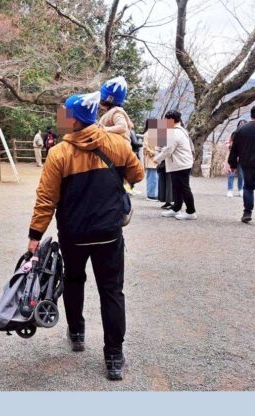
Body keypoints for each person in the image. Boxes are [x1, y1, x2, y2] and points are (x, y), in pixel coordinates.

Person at [26, 91, 144, 381]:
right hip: (108, 233)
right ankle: (114, 357)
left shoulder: (59, 154)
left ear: (74, 120)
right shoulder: (116, 143)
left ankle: (77, 333)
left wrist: (34, 236)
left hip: (74, 234)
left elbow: (46, 199)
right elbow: (138, 174)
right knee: (111, 291)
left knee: (74, 280)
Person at [153, 110, 197, 220]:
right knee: (177, 188)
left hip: (180, 164)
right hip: (180, 163)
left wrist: (157, 159)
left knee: (183, 188)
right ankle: (176, 208)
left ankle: (191, 211)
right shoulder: (179, 130)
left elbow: (168, 150)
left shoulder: (175, 132)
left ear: (171, 120)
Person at [98, 76, 133, 143]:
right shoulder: (112, 112)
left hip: (117, 149)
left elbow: (122, 127)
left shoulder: (116, 112)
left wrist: (104, 129)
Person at [225, 120, 247, 197]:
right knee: (231, 173)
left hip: (243, 157)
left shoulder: (248, 135)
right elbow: (227, 143)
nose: (242, 125)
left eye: (243, 124)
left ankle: (240, 189)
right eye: (240, 124)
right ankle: (230, 190)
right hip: (232, 156)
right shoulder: (233, 134)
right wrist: (230, 146)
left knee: (241, 175)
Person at [142, 121, 160, 199]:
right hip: (151, 158)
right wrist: (153, 153)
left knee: (155, 178)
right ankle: (151, 195)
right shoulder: (147, 134)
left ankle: (155, 194)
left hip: (157, 158)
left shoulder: (155, 133)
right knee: (152, 178)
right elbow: (145, 147)